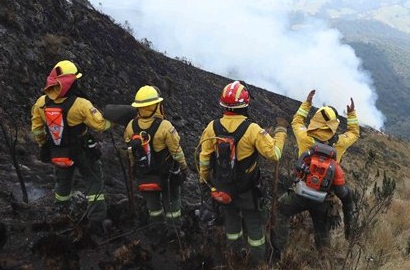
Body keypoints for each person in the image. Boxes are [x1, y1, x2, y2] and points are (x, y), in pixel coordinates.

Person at [197, 81, 286, 265]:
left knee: (231, 222)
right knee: (254, 227)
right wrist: (281, 132)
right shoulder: (252, 129)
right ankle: (257, 262)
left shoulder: (212, 127)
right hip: (248, 193)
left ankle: (235, 256)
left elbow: (204, 158)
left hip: (223, 190)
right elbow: (275, 154)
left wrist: (205, 180)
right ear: (245, 104)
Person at [30, 60, 111, 234]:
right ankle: (96, 222)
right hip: (83, 151)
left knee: (62, 184)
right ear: (72, 82)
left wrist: (44, 144)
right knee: (94, 181)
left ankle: (61, 214)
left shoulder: (41, 103)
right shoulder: (81, 104)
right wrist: (112, 119)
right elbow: (100, 125)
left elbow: (36, 129)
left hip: (59, 151)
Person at [275, 89, 359, 249]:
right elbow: (354, 133)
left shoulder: (304, 137)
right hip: (325, 199)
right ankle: (323, 259)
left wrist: (307, 103)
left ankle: (279, 252)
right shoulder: (340, 143)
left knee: (281, 210)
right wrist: (352, 114)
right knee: (322, 232)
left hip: (300, 193)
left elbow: (297, 122)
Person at [124, 85, 189, 232]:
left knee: (153, 208)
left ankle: (156, 231)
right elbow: (176, 152)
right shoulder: (165, 126)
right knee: (173, 204)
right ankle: (173, 232)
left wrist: (135, 169)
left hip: (144, 176)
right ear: (156, 105)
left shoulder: (130, 126)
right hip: (166, 177)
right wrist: (184, 168)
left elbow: (130, 152)